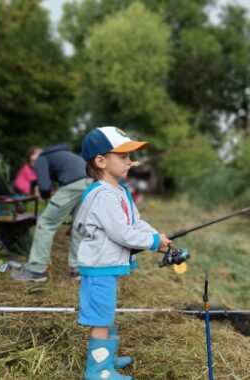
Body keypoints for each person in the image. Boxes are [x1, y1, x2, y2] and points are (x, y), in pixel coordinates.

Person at [73, 126, 171, 379]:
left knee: (106, 312)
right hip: (99, 267)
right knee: (101, 316)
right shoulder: (103, 194)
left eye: (130, 156)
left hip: (108, 265)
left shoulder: (118, 190)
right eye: (123, 157)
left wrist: (156, 237)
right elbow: (122, 233)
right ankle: (98, 371)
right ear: (101, 161)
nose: (131, 162)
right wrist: (150, 241)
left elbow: (134, 224)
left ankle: (106, 355)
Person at [11, 143, 89, 282]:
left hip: (73, 185)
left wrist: (46, 196)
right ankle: (78, 269)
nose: (35, 162)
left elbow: (45, 187)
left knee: (45, 223)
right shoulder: (65, 154)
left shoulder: (42, 158)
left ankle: (37, 270)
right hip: (91, 181)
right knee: (78, 226)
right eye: (32, 160)